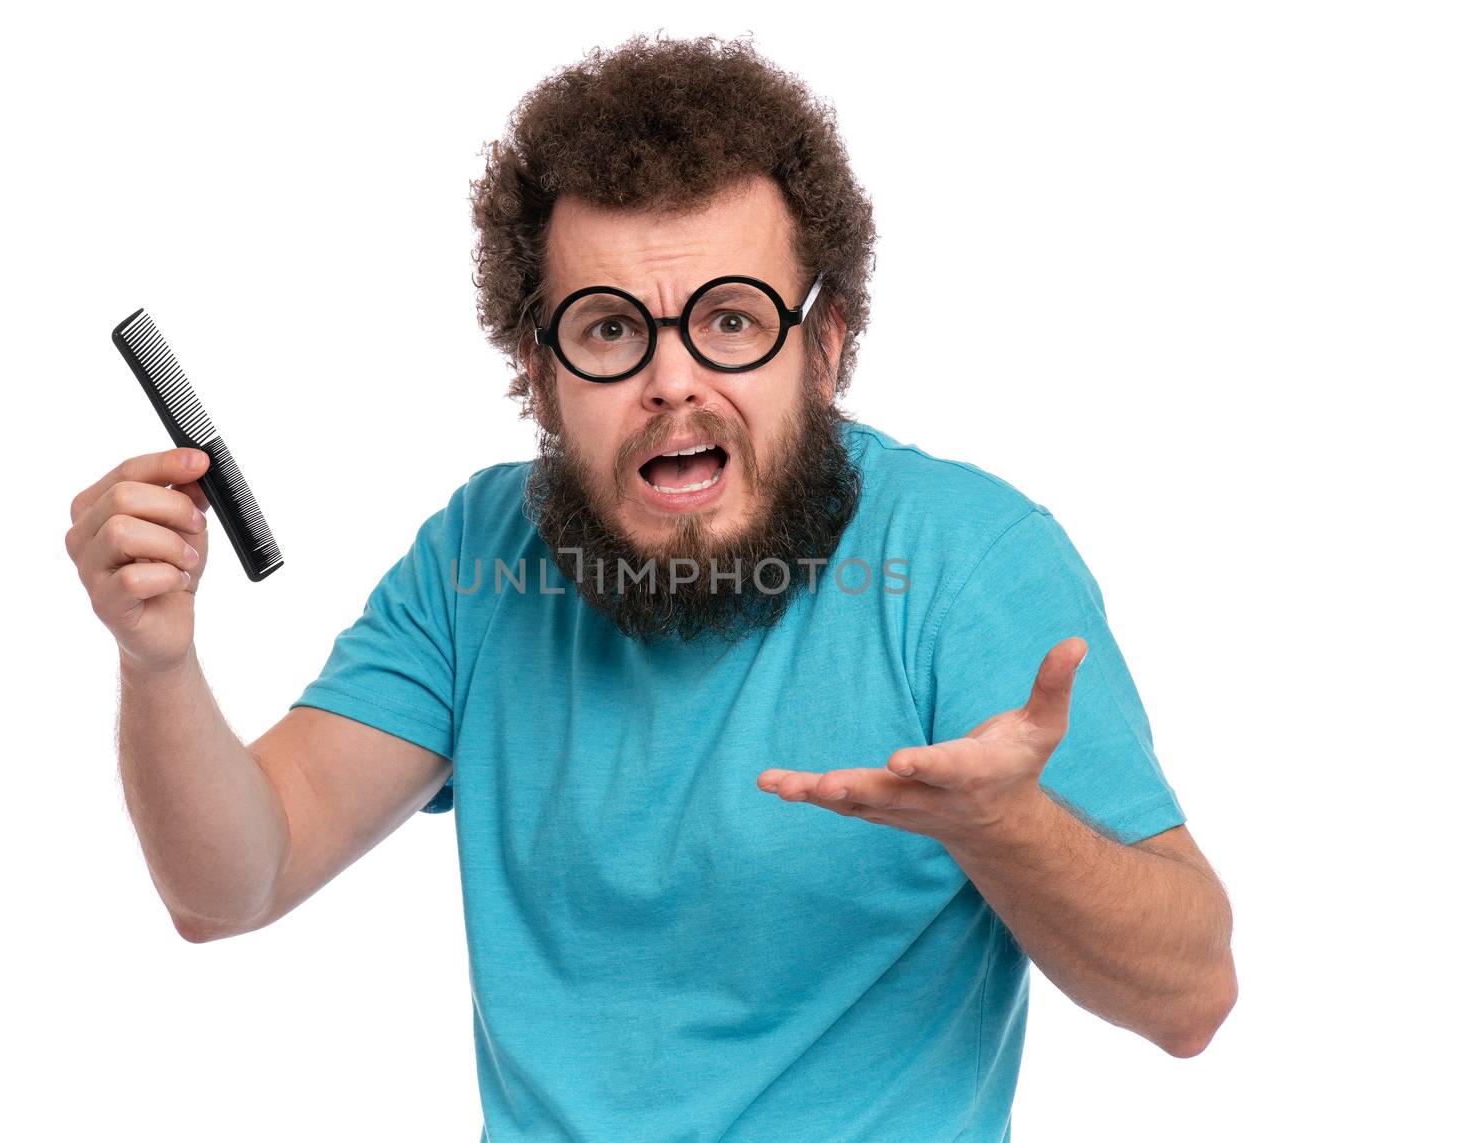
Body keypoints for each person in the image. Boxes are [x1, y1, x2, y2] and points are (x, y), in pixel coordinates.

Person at [66, 32, 1236, 1142]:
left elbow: (1190, 999)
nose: (673, 380)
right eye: (611, 329)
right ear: (537, 367)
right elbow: (231, 883)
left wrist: (1004, 826)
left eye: (731, 320)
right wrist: (156, 657)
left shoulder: (967, 559)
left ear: (825, 346)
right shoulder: (480, 557)